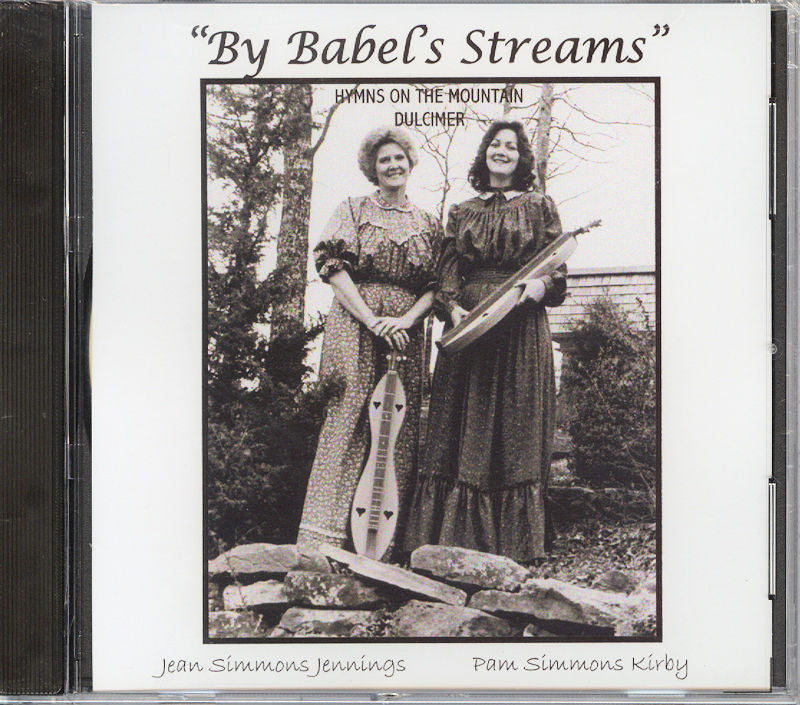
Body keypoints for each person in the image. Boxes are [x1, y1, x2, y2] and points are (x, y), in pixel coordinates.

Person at [403, 120, 566, 564]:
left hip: (520, 323)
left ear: (522, 157)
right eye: (495, 144)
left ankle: (514, 544)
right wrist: (452, 308)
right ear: (484, 154)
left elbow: (557, 272)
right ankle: (450, 539)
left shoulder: (539, 206)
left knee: (514, 422)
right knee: (463, 422)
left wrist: (540, 289)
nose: (502, 151)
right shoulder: (462, 210)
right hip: (471, 327)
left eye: (511, 146)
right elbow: (447, 272)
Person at [296, 126, 442, 558]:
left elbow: (438, 285)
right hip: (355, 323)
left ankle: (381, 546)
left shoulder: (428, 223)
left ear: (411, 163)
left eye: (399, 158)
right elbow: (332, 267)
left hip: (405, 332)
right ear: (372, 169)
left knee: (397, 424)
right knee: (349, 416)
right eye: (384, 160)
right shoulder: (352, 209)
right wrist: (371, 319)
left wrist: (407, 320)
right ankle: (324, 541)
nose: (393, 166)